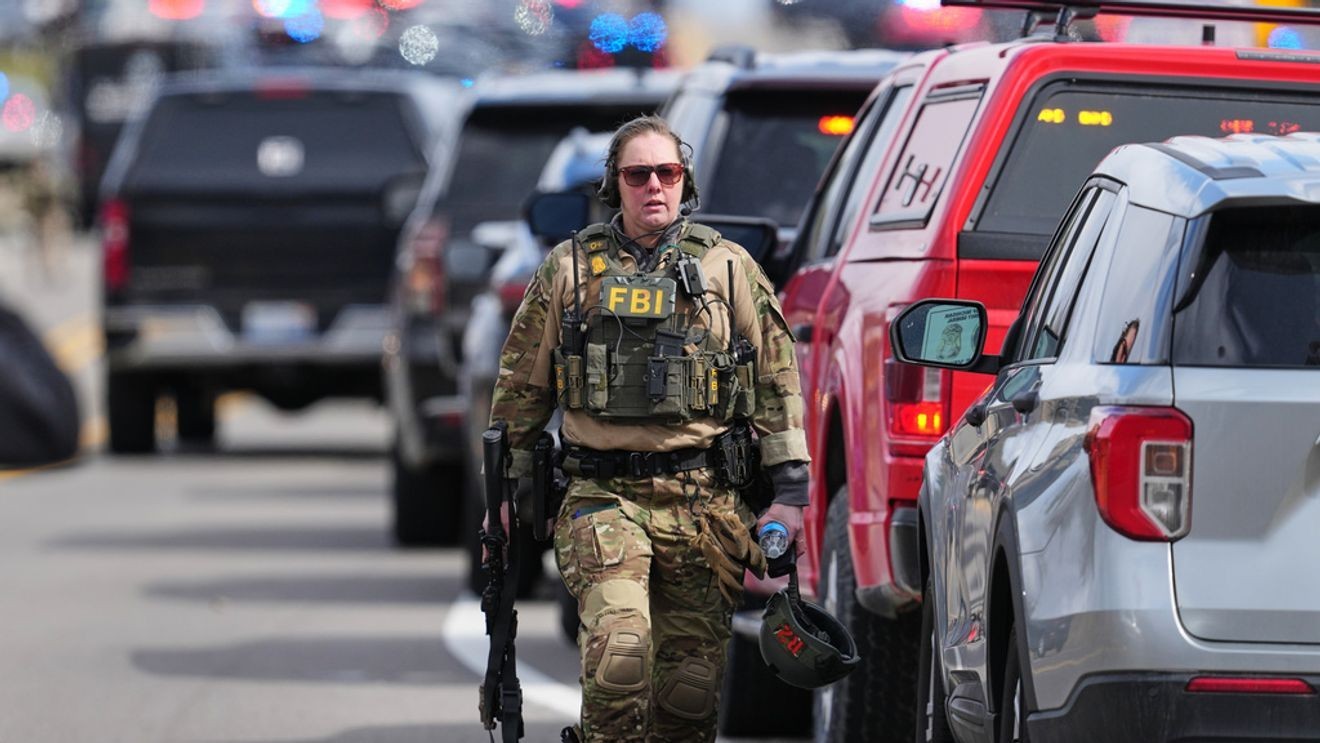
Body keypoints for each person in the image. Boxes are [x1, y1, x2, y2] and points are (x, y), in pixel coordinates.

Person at [488, 115, 810, 743]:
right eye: (638, 174)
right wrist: (502, 494)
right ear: (616, 183)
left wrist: (790, 492)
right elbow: (522, 387)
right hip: (601, 497)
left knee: (688, 696)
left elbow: (777, 381)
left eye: (667, 172)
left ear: (684, 180)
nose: (654, 186)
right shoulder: (569, 268)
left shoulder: (728, 267)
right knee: (621, 653)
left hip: (704, 506)